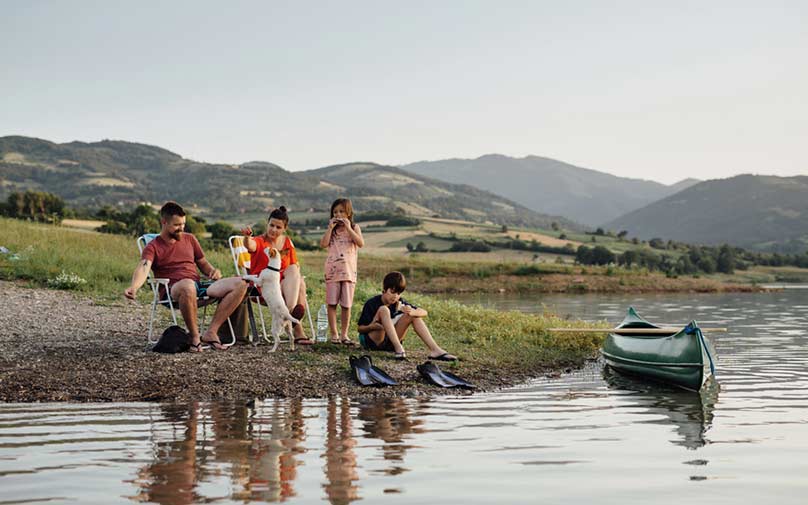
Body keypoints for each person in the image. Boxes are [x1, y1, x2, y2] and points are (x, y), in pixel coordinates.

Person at [124, 201, 248, 352]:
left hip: (197, 285)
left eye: (183, 224)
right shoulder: (153, 246)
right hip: (173, 289)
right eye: (177, 225)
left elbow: (202, 262)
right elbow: (144, 267)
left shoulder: (190, 239)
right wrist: (134, 287)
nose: (181, 228)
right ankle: (195, 337)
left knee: (241, 283)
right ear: (164, 222)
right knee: (188, 285)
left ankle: (211, 332)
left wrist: (212, 271)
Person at [241, 206, 313, 345]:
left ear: (284, 229)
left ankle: (290, 312)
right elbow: (250, 246)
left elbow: (294, 267)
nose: (273, 229)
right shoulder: (259, 241)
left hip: (285, 286)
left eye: (278, 227)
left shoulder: (287, 242)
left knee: (294, 272)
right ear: (267, 224)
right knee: (300, 285)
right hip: (266, 285)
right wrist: (247, 237)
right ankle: (296, 327)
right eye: (271, 225)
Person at [356, 271, 457, 361]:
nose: (395, 296)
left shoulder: (399, 303)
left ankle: (435, 350)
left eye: (398, 293)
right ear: (384, 289)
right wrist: (372, 326)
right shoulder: (372, 303)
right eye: (392, 292)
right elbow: (360, 329)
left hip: (389, 343)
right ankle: (398, 348)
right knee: (383, 309)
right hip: (374, 341)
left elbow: (424, 312)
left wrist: (411, 312)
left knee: (413, 315)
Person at [319, 198, 364, 346]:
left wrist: (349, 228)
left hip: (349, 273)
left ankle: (344, 334)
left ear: (349, 213)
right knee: (332, 304)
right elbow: (323, 244)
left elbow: (360, 243)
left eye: (341, 212)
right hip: (332, 272)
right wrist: (330, 228)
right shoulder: (331, 230)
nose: (338, 215)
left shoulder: (355, 227)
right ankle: (334, 334)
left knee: (346, 305)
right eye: (335, 212)